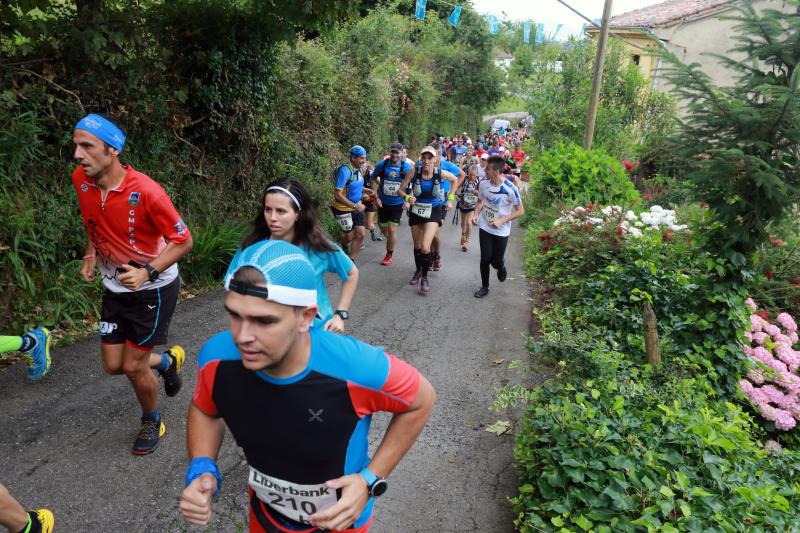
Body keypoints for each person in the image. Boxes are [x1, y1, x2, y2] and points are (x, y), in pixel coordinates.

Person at [179, 240, 436, 533]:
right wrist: (202, 465)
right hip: (267, 517)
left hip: (341, 523)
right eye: (235, 316)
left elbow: (421, 400)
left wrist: (369, 480)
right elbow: (205, 409)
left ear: (306, 317)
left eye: (264, 321)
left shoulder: (354, 366)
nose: (243, 336)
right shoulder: (216, 358)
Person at [72, 113, 193, 455]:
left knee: (132, 366)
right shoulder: (81, 180)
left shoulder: (147, 191)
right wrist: (90, 254)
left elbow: (183, 240)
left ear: (112, 150)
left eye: (87, 146)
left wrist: (147, 272)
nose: (78, 155)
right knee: (113, 365)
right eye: (76, 146)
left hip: (153, 289)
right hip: (115, 286)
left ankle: (152, 419)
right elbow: (94, 220)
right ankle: (166, 363)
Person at [233, 178, 358, 334]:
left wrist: (340, 314)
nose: (272, 218)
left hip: (315, 333)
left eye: (281, 211)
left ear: (298, 214)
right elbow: (233, 290)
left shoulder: (316, 246)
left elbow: (351, 273)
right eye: (268, 209)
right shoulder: (251, 248)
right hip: (266, 336)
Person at [398, 146, 456, 294]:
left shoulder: (440, 173)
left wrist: (450, 199)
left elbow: (455, 179)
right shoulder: (414, 171)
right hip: (416, 210)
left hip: (433, 211)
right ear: (420, 158)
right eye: (424, 157)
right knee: (417, 246)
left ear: (435, 159)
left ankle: (424, 278)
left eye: (430, 157)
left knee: (425, 247)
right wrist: (406, 197)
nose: (426, 160)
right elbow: (400, 189)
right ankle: (418, 271)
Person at [472, 155, 524, 298]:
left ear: (496, 171)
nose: (484, 170)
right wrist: (476, 214)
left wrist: (502, 220)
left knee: (495, 261)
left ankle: (500, 266)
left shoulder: (510, 188)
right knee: (485, 258)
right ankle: (484, 286)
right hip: (485, 226)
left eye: (487, 169)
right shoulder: (483, 184)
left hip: (501, 230)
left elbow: (520, 211)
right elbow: (480, 201)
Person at [371, 144, 414, 266]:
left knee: (392, 229)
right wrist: (376, 196)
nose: (394, 155)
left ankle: (389, 254)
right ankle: (390, 240)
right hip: (383, 203)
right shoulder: (383, 164)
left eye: (397, 153)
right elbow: (373, 178)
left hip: (398, 203)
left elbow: (414, 184)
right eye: (393, 152)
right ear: (390, 152)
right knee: (384, 229)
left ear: (402, 153)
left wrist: (407, 200)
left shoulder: (406, 167)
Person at [427, 142, 464, 272]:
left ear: (439, 155)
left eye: (435, 155)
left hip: (441, 204)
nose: (432, 158)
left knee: (435, 233)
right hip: (426, 203)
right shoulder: (423, 165)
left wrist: (452, 195)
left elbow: (462, 174)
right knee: (427, 233)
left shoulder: (447, 166)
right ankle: (431, 257)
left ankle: (435, 256)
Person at [331, 146, 369, 260]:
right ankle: (343, 244)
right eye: (361, 158)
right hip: (342, 208)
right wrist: (354, 206)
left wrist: (365, 190)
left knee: (361, 234)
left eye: (365, 158)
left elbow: (354, 184)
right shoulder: (345, 171)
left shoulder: (360, 168)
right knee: (349, 236)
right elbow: (337, 194)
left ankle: (350, 261)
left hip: (357, 206)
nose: (364, 161)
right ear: (353, 158)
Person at [456, 165, 480, 252]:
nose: (471, 177)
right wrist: (457, 195)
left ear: (477, 174)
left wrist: (476, 194)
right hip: (462, 203)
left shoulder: (479, 181)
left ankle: (467, 242)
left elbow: (482, 193)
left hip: (472, 205)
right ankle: (463, 234)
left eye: (473, 175)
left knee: (469, 222)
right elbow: (456, 187)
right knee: (463, 222)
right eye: (470, 174)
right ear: (467, 173)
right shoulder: (464, 179)